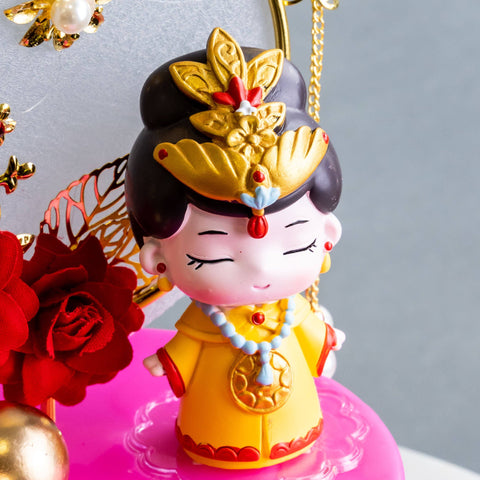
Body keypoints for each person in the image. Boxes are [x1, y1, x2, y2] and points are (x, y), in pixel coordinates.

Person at [126, 28, 345, 469]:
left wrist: (325, 338)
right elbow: (186, 350)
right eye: (214, 253)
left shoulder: (292, 311)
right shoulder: (205, 324)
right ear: (158, 259)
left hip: (297, 427)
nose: (261, 264)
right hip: (213, 434)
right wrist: (168, 362)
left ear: (327, 234)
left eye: (297, 240)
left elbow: (311, 339)